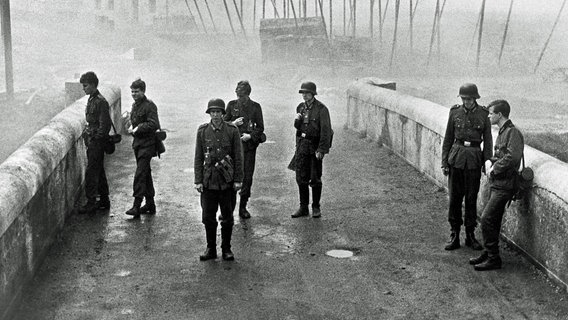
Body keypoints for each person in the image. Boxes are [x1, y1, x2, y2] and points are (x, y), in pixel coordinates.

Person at [470, 100, 524, 271]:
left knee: (486, 219)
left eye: (491, 113)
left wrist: (495, 168)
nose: (489, 116)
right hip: (498, 183)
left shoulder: (512, 132)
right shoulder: (502, 132)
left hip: (506, 185)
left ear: (500, 115)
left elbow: (513, 157)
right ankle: (489, 252)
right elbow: (501, 155)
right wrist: (490, 161)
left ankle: (494, 258)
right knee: (493, 220)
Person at [441, 83, 492, 251]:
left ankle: (470, 234)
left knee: (471, 198)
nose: (466, 102)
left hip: (474, 161)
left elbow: (488, 142)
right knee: (455, 198)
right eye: (463, 99)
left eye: (469, 99)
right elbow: (448, 138)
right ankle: (454, 233)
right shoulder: (454, 112)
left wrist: (487, 163)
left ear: (475, 98)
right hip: (456, 159)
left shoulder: (484, 115)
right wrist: (444, 162)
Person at [194, 98, 244, 261]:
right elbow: (198, 157)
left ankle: (226, 248)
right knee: (208, 217)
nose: (215, 115)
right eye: (212, 112)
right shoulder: (202, 131)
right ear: (209, 113)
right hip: (209, 182)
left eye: (218, 112)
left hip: (227, 182)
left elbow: (238, 157)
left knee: (227, 217)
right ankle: (211, 248)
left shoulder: (232, 130)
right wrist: (198, 180)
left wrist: (238, 180)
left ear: (223, 113)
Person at [291, 81, 333, 219]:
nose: (304, 95)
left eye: (307, 93)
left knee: (315, 178)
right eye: (303, 93)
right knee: (301, 178)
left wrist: (321, 149)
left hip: (315, 147)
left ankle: (316, 207)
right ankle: (303, 207)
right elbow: (299, 129)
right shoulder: (300, 108)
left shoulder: (321, 109)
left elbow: (326, 132)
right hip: (302, 146)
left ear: (313, 94)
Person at [224, 80, 264, 219]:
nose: (239, 98)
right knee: (230, 177)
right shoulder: (231, 105)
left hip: (248, 148)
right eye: (238, 95)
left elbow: (260, 128)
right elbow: (223, 124)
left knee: (247, 177)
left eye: (242, 96)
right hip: (233, 148)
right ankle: (228, 210)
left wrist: (250, 136)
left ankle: (243, 207)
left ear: (247, 95)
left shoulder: (255, 107)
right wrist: (233, 124)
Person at [125, 79, 161, 217]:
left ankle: (136, 204)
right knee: (146, 173)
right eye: (132, 91)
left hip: (148, 144)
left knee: (140, 173)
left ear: (143, 91)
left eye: (136, 91)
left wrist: (137, 128)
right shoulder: (135, 106)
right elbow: (134, 122)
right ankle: (150, 203)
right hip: (138, 144)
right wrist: (131, 127)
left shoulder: (149, 106)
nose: (134, 94)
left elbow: (153, 124)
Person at [79, 71, 112, 214]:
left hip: (96, 143)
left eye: (85, 86)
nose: (83, 88)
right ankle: (104, 200)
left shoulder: (100, 101)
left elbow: (105, 126)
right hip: (93, 141)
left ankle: (91, 201)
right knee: (99, 171)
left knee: (92, 173)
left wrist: (94, 138)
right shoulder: (92, 99)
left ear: (92, 85)